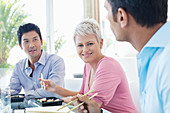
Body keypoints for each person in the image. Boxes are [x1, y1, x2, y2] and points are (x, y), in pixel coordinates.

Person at [76, 0, 170, 113]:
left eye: (107, 10)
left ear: (121, 16)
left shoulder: (166, 61)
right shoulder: (152, 57)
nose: (106, 17)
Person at [40, 19, 137, 113]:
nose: (85, 50)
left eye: (90, 44)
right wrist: (56, 89)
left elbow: (90, 105)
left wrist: (64, 100)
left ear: (101, 43)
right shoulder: (88, 66)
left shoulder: (108, 66)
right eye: (80, 45)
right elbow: (83, 95)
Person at [9, 23, 65, 98]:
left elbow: (54, 91)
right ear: (20, 46)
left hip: (53, 108)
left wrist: (26, 95)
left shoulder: (56, 61)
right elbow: (12, 90)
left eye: (35, 40)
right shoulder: (19, 66)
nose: (31, 45)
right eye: (26, 41)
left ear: (41, 41)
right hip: (29, 109)